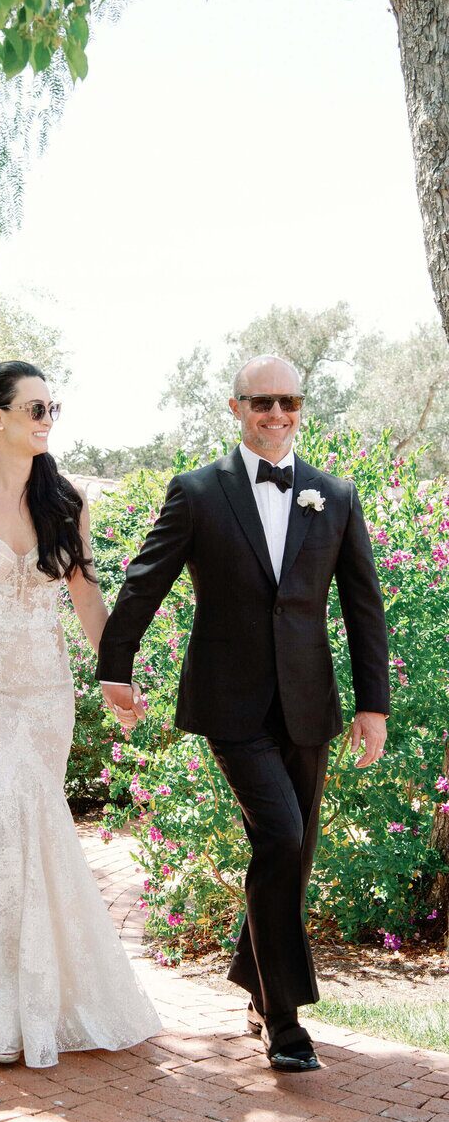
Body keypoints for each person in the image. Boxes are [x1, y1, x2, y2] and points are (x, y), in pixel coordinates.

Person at [97, 355, 390, 1073]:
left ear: (301, 407)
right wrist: (115, 668)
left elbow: (363, 606)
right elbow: (145, 580)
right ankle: (285, 1022)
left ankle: (257, 988)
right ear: (236, 407)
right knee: (282, 836)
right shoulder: (199, 491)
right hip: (230, 702)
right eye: (262, 401)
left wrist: (372, 705)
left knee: (293, 851)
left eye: (289, 401)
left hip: (309, 703)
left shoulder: (334, 494)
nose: (277, 414)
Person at [0, 360, 160, 1069]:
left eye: (52, 408)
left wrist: (116, 677)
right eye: (35, 408)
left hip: (46, 690)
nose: (47, 420)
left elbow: (87, 597)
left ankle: (51, 998)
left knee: (39, 819)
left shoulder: (65, 501)